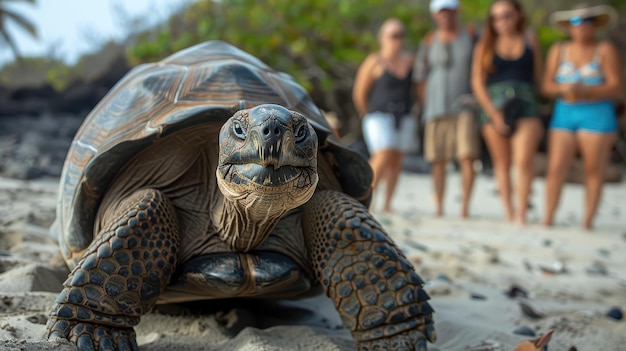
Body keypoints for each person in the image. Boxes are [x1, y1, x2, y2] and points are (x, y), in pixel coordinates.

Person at [541, 4, 623, 229]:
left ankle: (588, 221)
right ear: (569, 26)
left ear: (595, 24)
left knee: (593, 169)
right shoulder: (559, 49)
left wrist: (585, 91)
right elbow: (547, 85)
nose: (581, 26)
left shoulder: (604, 49)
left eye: (587, 21)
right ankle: (548, 217)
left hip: (597, 114)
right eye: (576, 22)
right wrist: (564, 90)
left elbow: (616, 86)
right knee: (556, 167)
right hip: (565, 112)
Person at [471, 0, 543, 225]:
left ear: (518, 15)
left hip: (526, 104)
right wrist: (494, 114)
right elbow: (477, 82)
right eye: (496, 17)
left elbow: (538, 78)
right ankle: (508, 211)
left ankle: (522, 213)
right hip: (494, 106)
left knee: (523, 161)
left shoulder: (530, 40)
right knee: (501, 164)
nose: (501, 21)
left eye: (507, 15)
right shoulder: (485, 44)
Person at [414, 0, 480, 218]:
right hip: (435, 108)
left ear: (457, 12)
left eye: (450, 11)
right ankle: (440, 206)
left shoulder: (470, 35)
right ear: (435, 15)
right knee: (437, 159)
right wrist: (426, 105)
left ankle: (465, 208)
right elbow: (420, 77)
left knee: (467, 156)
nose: (446, 16)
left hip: (465, 105)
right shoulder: (429, 40)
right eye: (442, 12)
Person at [352, 18, 416, 213]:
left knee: (397, 159)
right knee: (382, 154)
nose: (396, 40)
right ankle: (365, 197)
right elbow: (359, 92)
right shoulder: (374, 61)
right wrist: (367, 112)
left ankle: (388, 203)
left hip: (403, 115)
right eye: (392, 36)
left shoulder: (409, 61)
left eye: (400, 36)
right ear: (382, 38)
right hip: (378, 114)